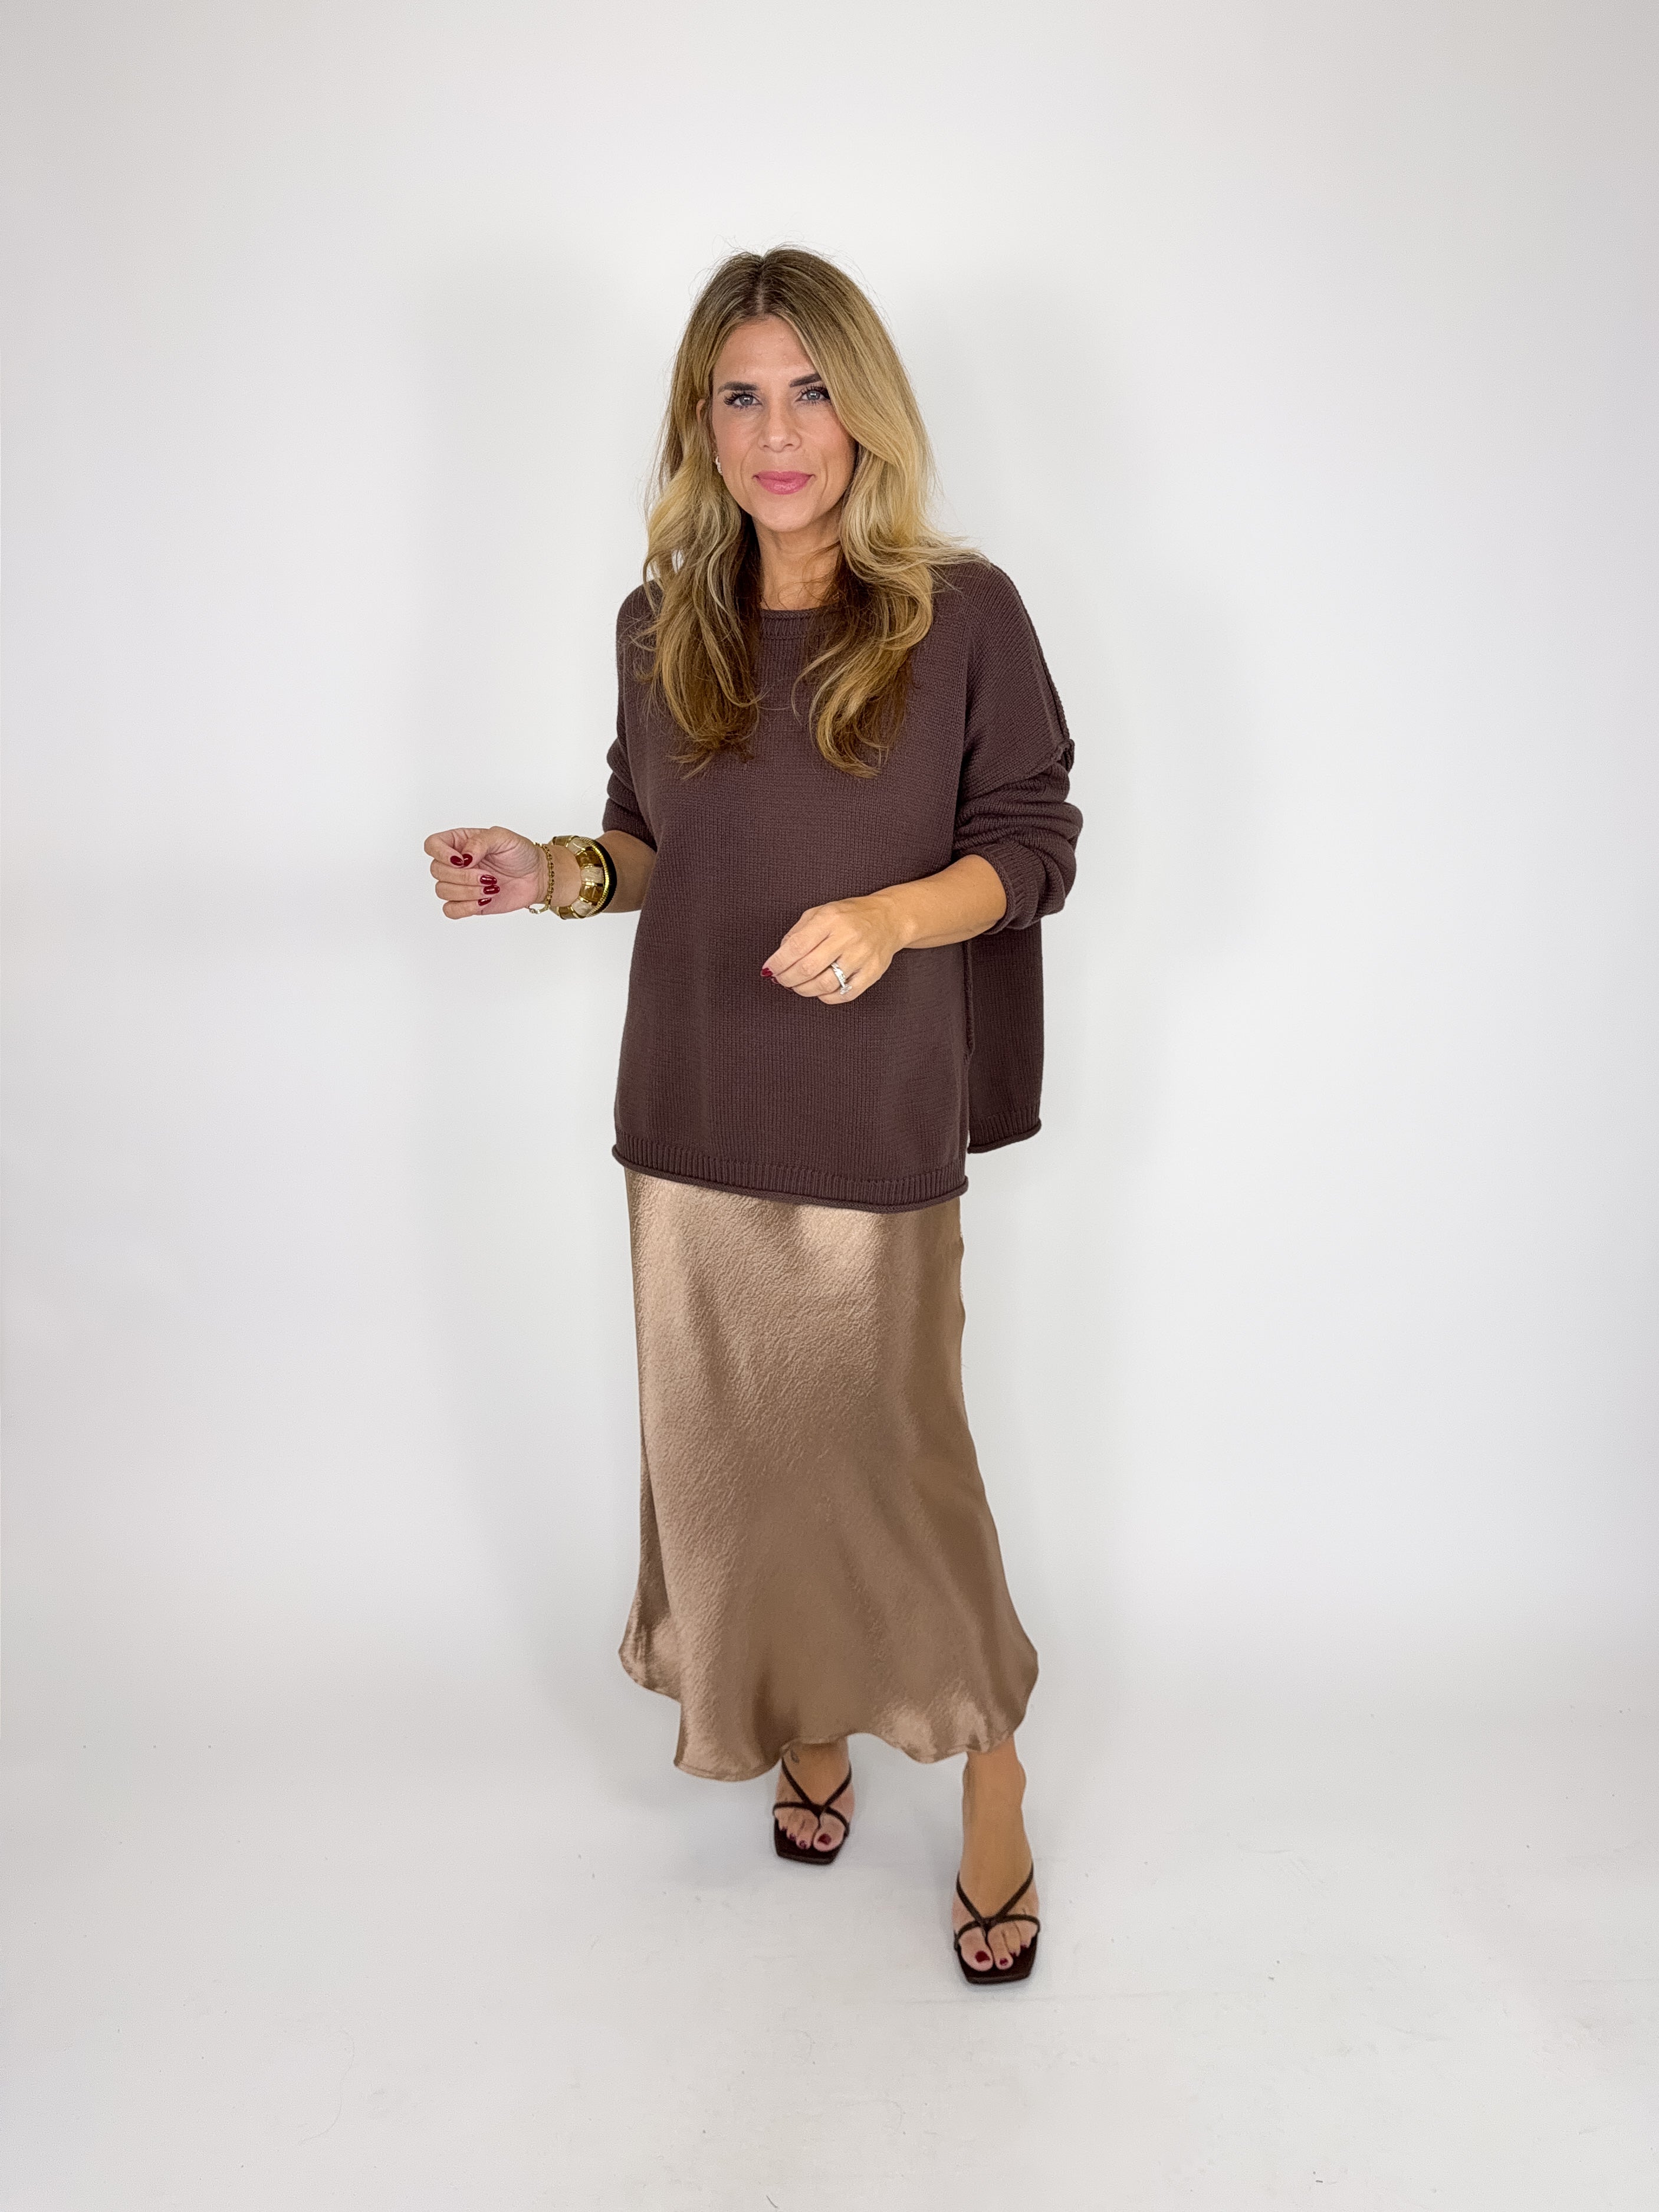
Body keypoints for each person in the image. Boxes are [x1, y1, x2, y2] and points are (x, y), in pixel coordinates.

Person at [423, 247, 1080, 1984]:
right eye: (741, 397)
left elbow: (1031, 844)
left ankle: (991, 1768)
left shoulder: (961, 614)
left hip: (873, 1115)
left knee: (896, 1466)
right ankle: (806, 1721)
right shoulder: (661, 623)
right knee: (739, 1469)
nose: (779, 433)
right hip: (692, 1105)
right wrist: (553, 873)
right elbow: (650, 838)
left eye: (811, 391)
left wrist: (891, 918)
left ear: (866, 413)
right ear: (698, 423)